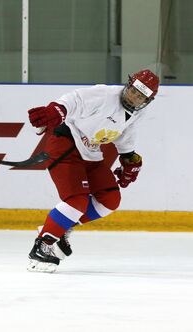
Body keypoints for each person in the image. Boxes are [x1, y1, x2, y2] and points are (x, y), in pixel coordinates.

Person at [25, 69, 160, 273]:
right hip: (66, 143)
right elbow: (75, 100)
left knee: (110, 199)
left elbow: (126, 133)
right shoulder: (105, 95)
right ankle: (42, 245)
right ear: (129, 84)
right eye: (133, 90)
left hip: (91, 152)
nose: (134, 97)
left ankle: (61, 226)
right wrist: (58, 110)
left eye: (140, 96)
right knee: (76, 201)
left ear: (147, 100)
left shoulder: (139, 112)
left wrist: (128, 156)